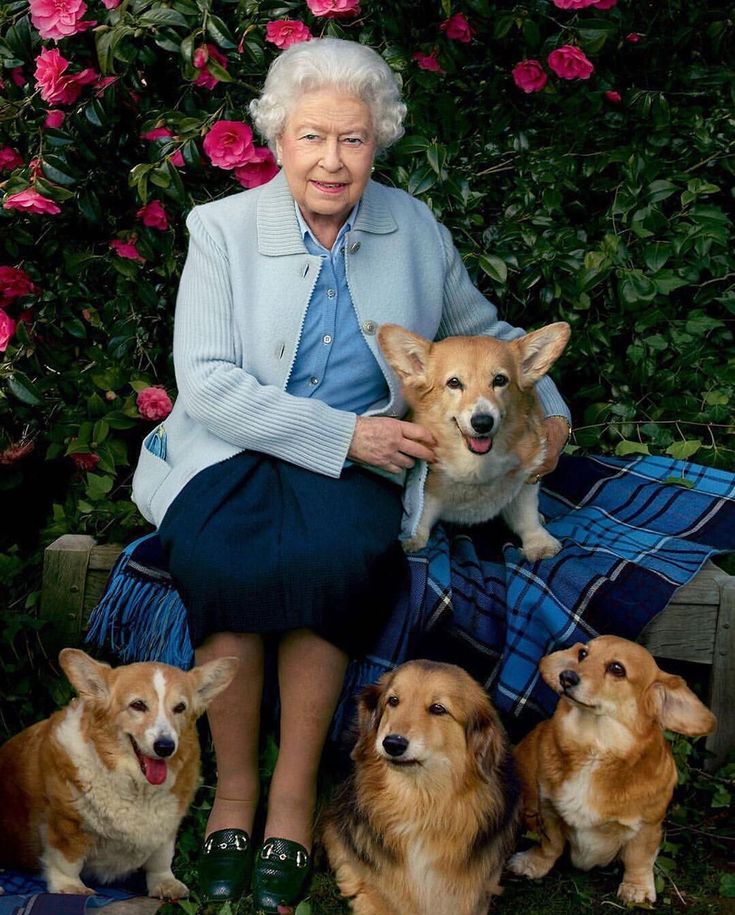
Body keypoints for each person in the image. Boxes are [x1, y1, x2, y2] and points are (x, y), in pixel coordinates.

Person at [131, 37, 571, 914]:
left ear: (379, 142)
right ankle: (232, 796)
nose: (332, 160)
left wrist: (549, 407)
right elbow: (210, 385)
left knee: (336, 562)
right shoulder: (220, 230)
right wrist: (346, 434)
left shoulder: (410, 226)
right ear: (278, 140)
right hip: (237, 449)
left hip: (360, 465)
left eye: (354, 140)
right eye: (312, 138)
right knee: (223, 563)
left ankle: (291, 802)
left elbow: (480, 326)